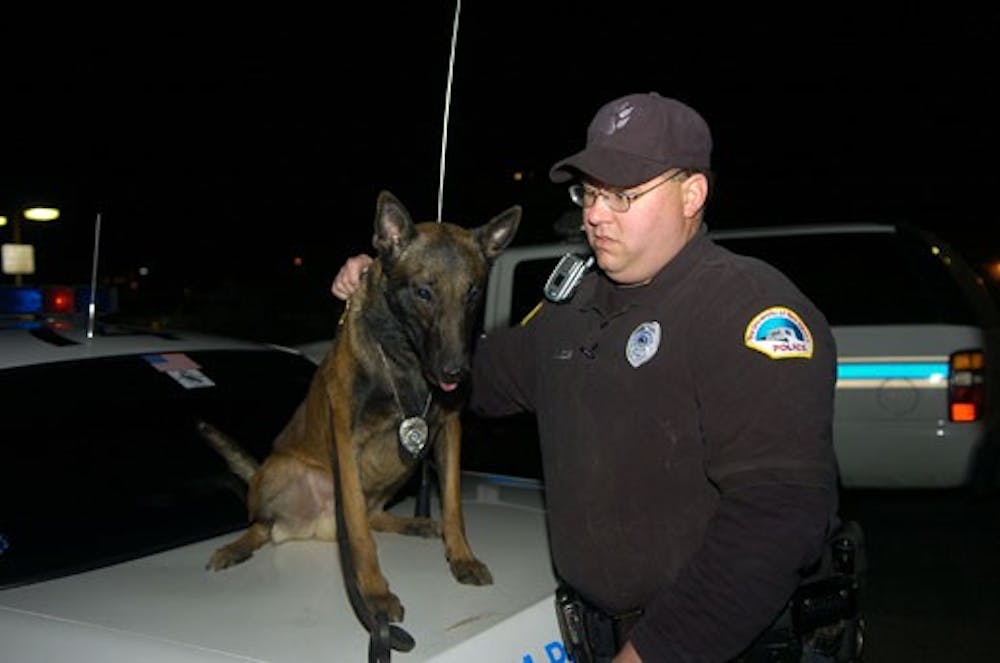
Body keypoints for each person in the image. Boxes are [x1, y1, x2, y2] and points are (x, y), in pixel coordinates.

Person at [332, 92, 844, 662]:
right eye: (591, 192)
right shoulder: (571, 310)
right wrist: (384, 290)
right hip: (598, 636)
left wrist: (655, 651)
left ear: (692, 194)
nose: (595, 213)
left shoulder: (744, 310)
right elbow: (464, 378)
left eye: (622, 195)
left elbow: (778, 520)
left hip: (714, 646)